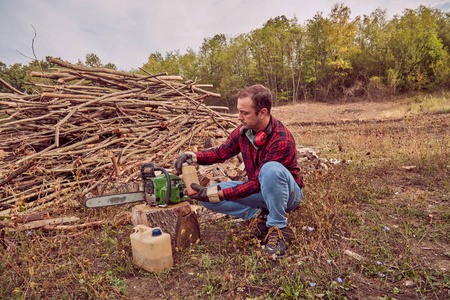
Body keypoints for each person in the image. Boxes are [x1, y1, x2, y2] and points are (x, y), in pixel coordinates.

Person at [174, 84, 304, 258]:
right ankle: (260, 217)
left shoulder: (281, 139)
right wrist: (194, 157)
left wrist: (222, 194)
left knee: (270, 170)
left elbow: (255, 184)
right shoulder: (244, 132)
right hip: (260, 191)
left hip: (288, 196)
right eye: (239, 111)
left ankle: (278, 228)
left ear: (263, 113)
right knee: (206, 198)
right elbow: (221, 152)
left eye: (244, 113)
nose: (239, 117)